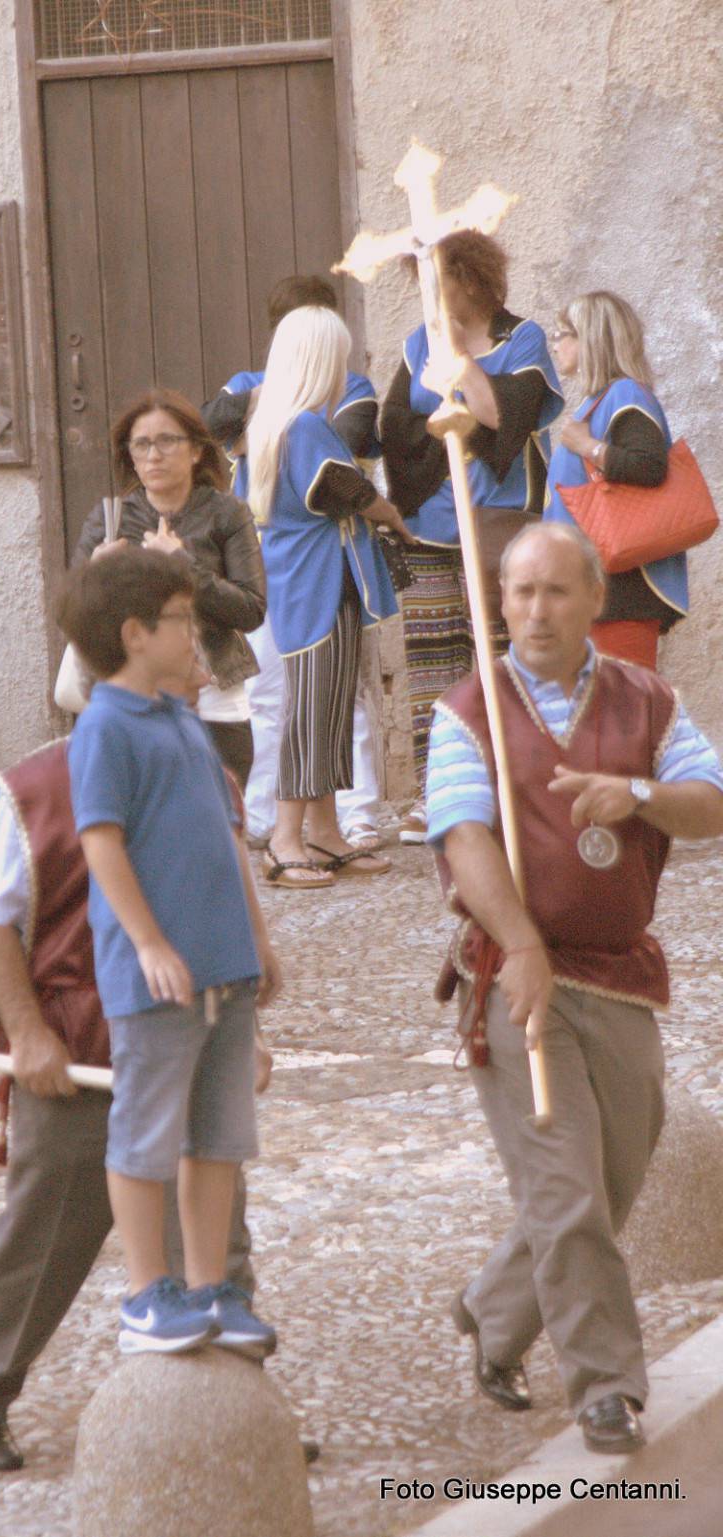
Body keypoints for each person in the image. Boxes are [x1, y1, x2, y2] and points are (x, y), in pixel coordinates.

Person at [0, 650, 279, 1472]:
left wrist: (245, 1024)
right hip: (79, 1049)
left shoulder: (205, 766)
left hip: (188, 1038)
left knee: (215, 1247)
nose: (203, 661)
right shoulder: (36, 787)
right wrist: (28, 1035)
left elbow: (225, 897)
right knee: (45, 1234)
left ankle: (233, 1410)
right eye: (180, 638)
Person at [426, 521, 723, 1453]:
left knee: (613, 1179)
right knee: (566, 1189)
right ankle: (605, 1385)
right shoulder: (467, 708)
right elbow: (464, 836)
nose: (535, 610)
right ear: (499, 602)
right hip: (519, 975)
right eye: (519, 592)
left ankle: (492, 1307)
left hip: (621, 973)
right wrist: (519, 944)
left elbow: (712, 802)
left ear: (597, 600)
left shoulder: (651, 700)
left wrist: (635, 794)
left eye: (556, 591)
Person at [59, 546, 278, 1356]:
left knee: (218, 1136)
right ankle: (147, 1292)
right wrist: (148, 941)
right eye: (182, 619)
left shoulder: (186, 718)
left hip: (223, 967)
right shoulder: (105, 729)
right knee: (146, 1135)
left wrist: (256, 936)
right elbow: (101, 842)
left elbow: (224, 837)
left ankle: (210, 1283)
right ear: (134, 633)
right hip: (157, 980)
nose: (195, 632)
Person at [381, 231, 563, 843]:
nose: (431, 294)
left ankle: (517, 786)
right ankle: (441, 790)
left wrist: (461, 359)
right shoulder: (414, 344)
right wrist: (432, 433)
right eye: (423, 281)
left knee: (506, 656)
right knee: (435, 661)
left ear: (474, 278)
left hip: (501, 527)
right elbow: (396, 423)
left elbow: (503, 417)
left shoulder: (522, 338)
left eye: (441, 279)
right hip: (432, 527)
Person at [203, 274, 387, 847]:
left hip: (303, 562)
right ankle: (278, 829)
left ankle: (341, 822)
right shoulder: (278, 403)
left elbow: (348, 442)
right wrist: (393, 516)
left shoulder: (336, 393)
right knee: (290, 698)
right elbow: (212, 423)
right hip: (290, 569)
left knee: (332, 700)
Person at [245, 305, 406, 889]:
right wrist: (394, 517)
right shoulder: (307, 427)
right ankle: (286, 840)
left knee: (330, 706)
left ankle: (325, 831)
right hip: (317, 580)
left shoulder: (268, 422)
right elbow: (349, 489)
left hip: (303, 578)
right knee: (313, 712)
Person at [72, 387, 265, 789]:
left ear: (196, 450)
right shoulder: (111, 518)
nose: (153, 455)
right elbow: (72, 613)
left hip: (213, 687)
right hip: (133, 688)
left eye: (166, 441)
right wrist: (96, 575)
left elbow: (251, 609)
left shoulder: (227, 513)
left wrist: (184, 566)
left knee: (220, 811)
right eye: (140, 445)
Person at [545, 290, 686, 669]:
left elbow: (648, 465)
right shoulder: (601, 399)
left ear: (590, 338)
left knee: (619, 715)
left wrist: (588, 446)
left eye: (562, 334)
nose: (555, 345)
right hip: (593, 590)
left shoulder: (625, 393)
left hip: (619, 593)